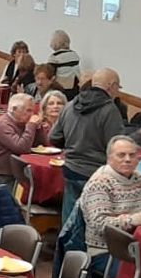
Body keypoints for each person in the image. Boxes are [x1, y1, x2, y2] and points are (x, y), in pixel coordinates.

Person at [49, 67, 130, 228]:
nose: (118, 93)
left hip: (71, 170)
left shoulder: (71, 105)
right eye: (118, 88)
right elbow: (117, 148)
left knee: (69, 222)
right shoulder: (109, 110)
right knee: (91, 224)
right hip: (97, 175)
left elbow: (54, 137)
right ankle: (85, 253)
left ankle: (67, 252)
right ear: (111, 86)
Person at [79, 135, 141, 259]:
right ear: (109, 158)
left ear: (138, 158)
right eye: (121, 155)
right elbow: (100, 225)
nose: (127, 159)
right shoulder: (99, 183)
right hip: (107, 251)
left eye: (132, 155)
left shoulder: (140, 178)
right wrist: (137, 219)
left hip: (139, 247)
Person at [0, 92, 43, 179]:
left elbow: (42, 146)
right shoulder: (2, 124)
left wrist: (38, 128)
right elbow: (22, 148)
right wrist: (31, 125)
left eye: (32, 111)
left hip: (17, 171)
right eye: (28, 110)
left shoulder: (23, 123)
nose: (32, 114)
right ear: (14, 109)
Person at [46, 29, 81, 94]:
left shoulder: (54, 57)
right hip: (76, 87)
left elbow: (49, 75)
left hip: (61, 89)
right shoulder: (74, 55)